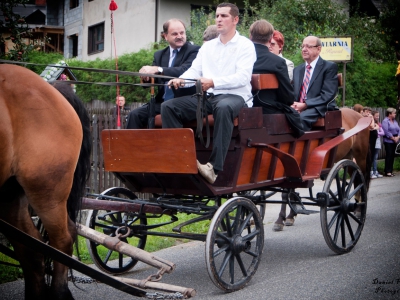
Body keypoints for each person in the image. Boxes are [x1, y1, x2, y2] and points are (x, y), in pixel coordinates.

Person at [161, 3, 256, 184]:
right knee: (169, 107)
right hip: (209, 97)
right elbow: (195, 71)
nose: (219, 19)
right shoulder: (208, 47)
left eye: (224, 16)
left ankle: (214, 168)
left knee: (223, 106)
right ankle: (181, 160)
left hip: (236, 97)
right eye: (217, 16)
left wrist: (213, 82)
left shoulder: (246, 45)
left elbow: (243, 78)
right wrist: (180, 80)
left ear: (235, 20)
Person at [126, 19, 200, 129]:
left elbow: (184, 70)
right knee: (134, 115)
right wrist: (146, 76)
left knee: (168, 108)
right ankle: (134, 146)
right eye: (175, 34)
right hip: (162, 101)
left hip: (185, 101)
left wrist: (158, 69)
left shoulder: (194, 50)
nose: (180, 36)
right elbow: (155, 79)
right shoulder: (159, 55)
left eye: (182, 33)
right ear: (165, 36)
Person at [249, 20, 304, 138]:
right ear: (270, 40)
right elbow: (287, 97)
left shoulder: (239, 59)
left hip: (242, 111)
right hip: (269, 114)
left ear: (250, 37)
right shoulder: (278, 62)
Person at [291, 35, 338, 131]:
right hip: (299, 106)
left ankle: (301, 145)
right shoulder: (297, 70)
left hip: (319, 106)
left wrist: (305, 105)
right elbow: (292, 91)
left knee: (300, 118)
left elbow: (328, 94)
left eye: (308, 46)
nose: (304, 49)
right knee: (278, 116)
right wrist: (292, 104)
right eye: (303, 46)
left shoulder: (329, 67)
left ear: (318, 49)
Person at [381, 107, 400, 177]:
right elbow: (386, 131)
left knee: (392, 156)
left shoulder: (395, 121)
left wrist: (398, 137)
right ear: (390, 114)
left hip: (395, 139)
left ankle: (390, 170)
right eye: (394, 113)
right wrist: (393, 138)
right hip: (388, 140)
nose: (395, 114)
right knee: (389, 155)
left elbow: (399, 129)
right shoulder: (385, 121)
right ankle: (387, 171)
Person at [370, 110, 384, 178]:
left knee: (375, 158)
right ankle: (371, 171)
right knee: (371, 157)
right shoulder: (370, 123)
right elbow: (371, 130)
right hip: (372, 141)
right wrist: (376, 130)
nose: (378, 117)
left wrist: (376, 133)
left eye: (378, 116)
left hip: (377, 142)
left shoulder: (378, 123)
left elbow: (383, 132)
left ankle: (375, 171)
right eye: (376, 116)